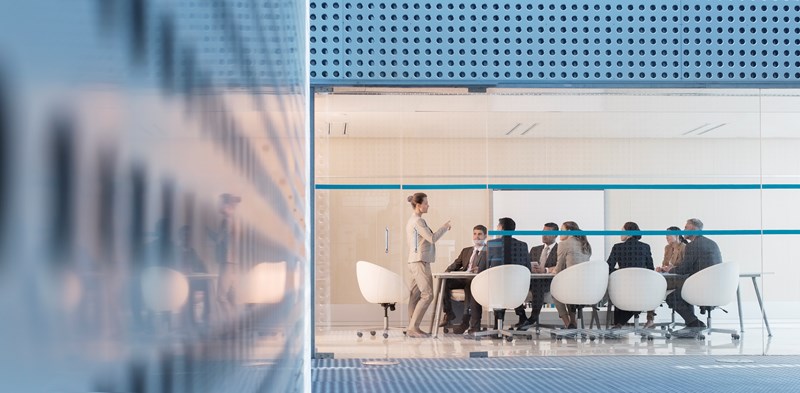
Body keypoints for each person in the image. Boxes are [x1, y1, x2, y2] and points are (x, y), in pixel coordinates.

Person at [463, 217, 529, 336]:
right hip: (517, 291)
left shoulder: (492, 244)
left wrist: (480, 268)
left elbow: (484, 268)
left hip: (496, 290)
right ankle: (511, 321)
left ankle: (476, 327)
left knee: (475, 289)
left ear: (501, 229)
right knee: (504, 288)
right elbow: (527, 268)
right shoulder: (523, 245)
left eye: (498, 226)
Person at [405, 193, 451, 338]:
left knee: (415, 296)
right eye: (426, 203)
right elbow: (432, 238)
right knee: (428, 295)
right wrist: (445, 227)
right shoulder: (418, 221)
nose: (428, 205)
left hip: (415, 261)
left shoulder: (414, 220)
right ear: (418, 205)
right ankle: (413, 327)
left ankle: (412, 327)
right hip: (420, 262)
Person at [666, 218, 722, 332]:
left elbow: (683, 269)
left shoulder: (692, 246)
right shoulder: (712, 243)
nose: (684, 230)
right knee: (683, 289)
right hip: (716, 287)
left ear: (693, 228)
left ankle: (694, 323)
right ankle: (692, 323)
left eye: (686, 227)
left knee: (672, 296)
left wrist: (669, 270)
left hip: (702, 287)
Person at [606, 221, 654, 327]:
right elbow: (651, 269)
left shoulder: (617, 247)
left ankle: (618, 324)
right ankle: (619, 324)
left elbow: (608, 267)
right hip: (641, 288)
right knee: (635, 295)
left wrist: (620, 272)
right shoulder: (645, 247)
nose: (620, 234)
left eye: (622, 231)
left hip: (623, 288)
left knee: (622, 294)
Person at [441, 225, 487, 333]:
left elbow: (492, 266)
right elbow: (456, 265)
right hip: (463, 278)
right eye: (475, 234)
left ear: (485, 236)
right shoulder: (466, 251)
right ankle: (449, 313)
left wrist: (480, 269)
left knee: (469, 284)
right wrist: (445, 273)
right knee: (444, 282)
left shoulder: (489, 251)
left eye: (480, 234)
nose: (477, 237)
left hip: (478, 281)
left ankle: (465, 321)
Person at [514, 222, 559, 330]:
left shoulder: (560, 249)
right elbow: (526, 264)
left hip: (550, 282)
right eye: (543, 232)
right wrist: (530, 268)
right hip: (532, 280)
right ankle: (522, 316)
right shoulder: (535, 249)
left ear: (556, 235)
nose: (544, 235)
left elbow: (560, 266)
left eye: (547, 233)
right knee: (513, 284)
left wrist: (546, 270)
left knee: (538, 285)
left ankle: (533, 318)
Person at [550, 221, 592, 328]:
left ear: (568, 231)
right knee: (569, 287)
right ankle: (573, 322)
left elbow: (558, 270)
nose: (560, 233)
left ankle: (567, 323)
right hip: (587, 289)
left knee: (555, 291)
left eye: (561, 230)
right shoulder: (586, 245)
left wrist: (548, 270)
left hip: (572, 288)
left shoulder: (564, 244)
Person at [210, 193, 241, 331]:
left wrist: (210, 235)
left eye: (220, 203)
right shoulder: (235, 219)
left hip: (227, 263)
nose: (218, 206)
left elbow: (219, 239)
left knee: (221, 297)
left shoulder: (227, 220)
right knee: (231, 297)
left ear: (227, 205)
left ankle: (232, 327)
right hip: (233, 263)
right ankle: (235, 327)